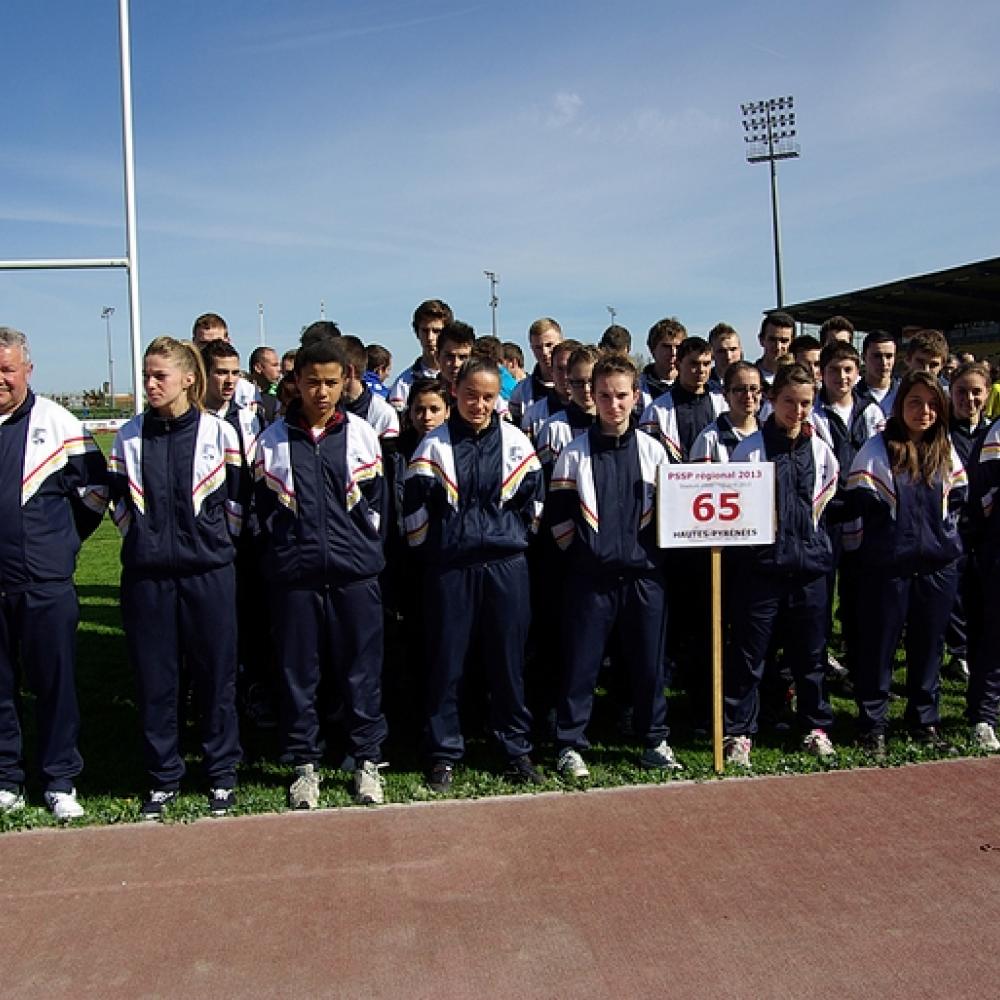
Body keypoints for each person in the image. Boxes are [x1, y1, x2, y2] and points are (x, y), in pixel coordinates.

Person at [109, 337, 243, 819]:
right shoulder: (128, 435)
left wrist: (213, 544)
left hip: (209, 574)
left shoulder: (219, 433)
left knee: (215, 677)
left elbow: (237, 501)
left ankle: (221, 774)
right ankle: (163, 777)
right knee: (156, 680)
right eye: (146, 375)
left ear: (188, 378)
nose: (150, 384)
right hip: (148, 578)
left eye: (159, 375)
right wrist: (143, 539)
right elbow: (117, 501)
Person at [253, 335, 389, 807]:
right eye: (312, 382)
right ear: (296, 382)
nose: (322, 392)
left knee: (361, 674)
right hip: (296, 579)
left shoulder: (362, 433)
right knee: (298, 675)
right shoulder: (270, 441)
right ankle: (304, 765)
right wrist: (284, 553)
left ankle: (367, 761)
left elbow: (378, 506)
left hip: (355, 577)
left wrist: (364, 551)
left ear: (345, 380)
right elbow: (260, 513)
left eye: (332, 382)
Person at [404, 357, 545, 793]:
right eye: (470, 395)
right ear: (454, 394)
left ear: (497, 398)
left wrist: (510, 538)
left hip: (507, 567)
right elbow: (412, 512)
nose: (478, 404)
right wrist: (439, 550)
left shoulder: (519, 443)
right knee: (447, 663)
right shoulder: (433, 446)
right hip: (451, 570)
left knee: (508, 662)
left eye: (487, 397)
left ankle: (514, 748)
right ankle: (443, 753)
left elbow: (535, 507)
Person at [548, 354, 681, 778]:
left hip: (645, 576)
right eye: (604, 395)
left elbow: (671, 515)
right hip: (591, 580)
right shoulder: (573, 452)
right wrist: (586, 557)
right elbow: (559, 519)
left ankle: (654, 740)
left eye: (621, 395)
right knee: (580, 665)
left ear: (636, 397)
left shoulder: (653, 450)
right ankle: (570, 743)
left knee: (648, 664)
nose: (613, 404)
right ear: (593, 396)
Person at [0, 327, 108, 820]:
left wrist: (60, 544)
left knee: (54, 685)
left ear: (27, 369)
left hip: (43, 584)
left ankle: (60, 779)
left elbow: (96, 495)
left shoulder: (59, 423)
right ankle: (7, 778)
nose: (1, 379)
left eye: (7, 369)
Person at [844, 371, 967, 761]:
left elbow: (958, 500)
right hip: (887, 570)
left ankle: (923, 720)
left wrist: (944, 544)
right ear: (900, 406)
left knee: (928, 648)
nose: (924, 411)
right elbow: (857, 510)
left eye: (932, 404)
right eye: (915, 402)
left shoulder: (944, 450)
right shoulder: (876, 450)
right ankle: (873, 724)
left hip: (936, 569)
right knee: (878, 649)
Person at [723, 363, 840, 768]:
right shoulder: (749, 449)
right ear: (773, 400)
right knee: (749, 658)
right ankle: (739, 733)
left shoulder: (822, 450)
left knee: (810, 658)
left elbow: (825, 510)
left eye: (806, 402)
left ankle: (815, 727)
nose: (798, 410)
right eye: (789, 401)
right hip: (761, 573)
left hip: (809, 571)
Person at [639, 336, 726, 462]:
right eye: (694, 364)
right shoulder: (657, 410)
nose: (701, 370)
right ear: (678, 364)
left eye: (706, 364)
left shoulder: (723, 404)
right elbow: (646, 453)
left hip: (716, 477)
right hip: (674, 478)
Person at [535, 344, 599, 475]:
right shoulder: (554, 428)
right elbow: (545, 479)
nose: (586, 389)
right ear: (569, 383)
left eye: (592, 381)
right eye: (579, 383)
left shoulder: (612, 424)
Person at [690, 361, 762, 463]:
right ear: (725, 394)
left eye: (754, 389)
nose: (748, 396)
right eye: (740, 390)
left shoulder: (769, 434)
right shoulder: (709, 439)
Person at [387, 299, 452, 412]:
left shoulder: (462, 378)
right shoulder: (404, 383)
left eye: (436, 331)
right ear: (417, 333)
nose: (430, 337)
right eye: (425, 331)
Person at [191, 312, 260, 410]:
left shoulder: (246, 391)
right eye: (204, 343)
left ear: (227, 341)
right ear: (194, 342)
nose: (210, 348)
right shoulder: (183, 383)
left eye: (217, 342)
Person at [508, 317, 562, 427]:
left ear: (561, 343)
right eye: (538, 347)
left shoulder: (578, 386)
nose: (545, 352)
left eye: (549, 345)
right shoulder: (521, 391)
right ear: (531, 348)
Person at [521, 339, 578, 441]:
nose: (565, 376)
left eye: (570, 368)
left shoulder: (599, 412)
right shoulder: (533, 415)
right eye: (560, 369)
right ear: (551, 370)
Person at [639, 318, 686, 410]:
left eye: (678, 347)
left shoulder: (692, 384)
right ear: (652, 349)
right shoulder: (639, 387)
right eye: (666, 347)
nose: (673, 352)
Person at [857, 330, 898, 418]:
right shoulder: (852, 396)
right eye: (877, 356)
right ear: (863, 357)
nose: (884, 362)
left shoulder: (904, 394)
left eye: (889, 356)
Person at [755, 312, 795, 385]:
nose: (778, 347)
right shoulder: (749, 378)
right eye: (772, 340)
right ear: (761, 340)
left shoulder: (799, 379)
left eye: (784, 341)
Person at [249, 346, 281, 422]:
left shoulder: (278, 397)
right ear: (258, 368)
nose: (279, 369)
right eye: (274, 365)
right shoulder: (242, 396)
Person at [707, 322, 742, 390]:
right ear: (711, 354)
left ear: (740, 351)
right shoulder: (704, 386)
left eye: (733, 349)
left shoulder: (754, 381)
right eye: (721, 351)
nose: (728, 356)